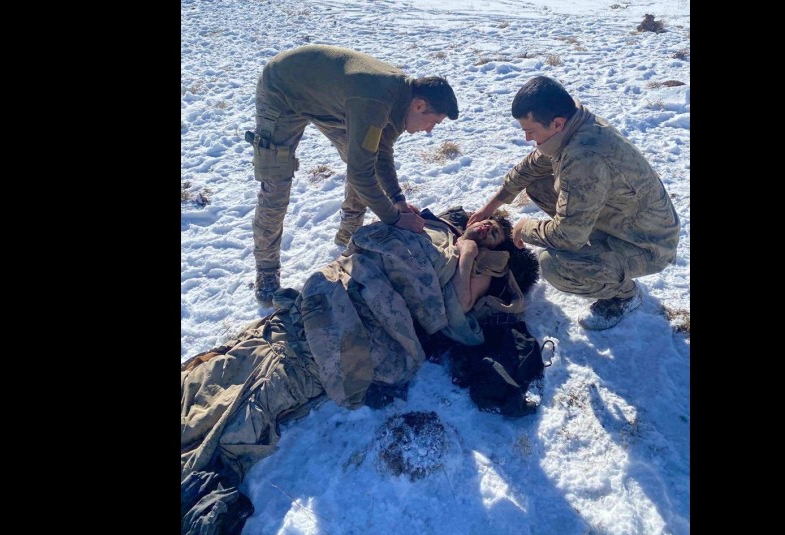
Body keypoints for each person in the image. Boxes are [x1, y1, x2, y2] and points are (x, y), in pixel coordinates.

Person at [181, 209, 537, 532]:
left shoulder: (485, 265)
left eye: (496, 235)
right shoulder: (434, 226)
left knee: (267, 385)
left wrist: (470, 249)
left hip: (361, 320)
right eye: (491, 223)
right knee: (227, 366)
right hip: (333, 288)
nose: (490, 229)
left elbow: (456, 306)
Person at [247, 44, 459, 303]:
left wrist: (398, 200)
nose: (429, 130)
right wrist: (394, 219)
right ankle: (267, 271)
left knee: (361, 159)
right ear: (419, 105)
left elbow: (379, 153)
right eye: (432, 122)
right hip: (282, 90)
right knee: (276, 184)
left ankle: (349, 236)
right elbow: (361, 176)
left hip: (328, 101)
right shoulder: (376, 101)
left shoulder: (401, 101)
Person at [467, 76, 680, 330]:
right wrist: (493, 203)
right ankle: (603, 255)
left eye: (531, 131)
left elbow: (569, 237)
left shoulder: (583, 157)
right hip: (622, 220)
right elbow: (533, 165)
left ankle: (624, 295)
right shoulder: (573, 125)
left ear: (556, 123)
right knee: (536, 183)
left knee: (554, 265)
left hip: (648, 245)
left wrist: (525, 228)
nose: (526, 138)